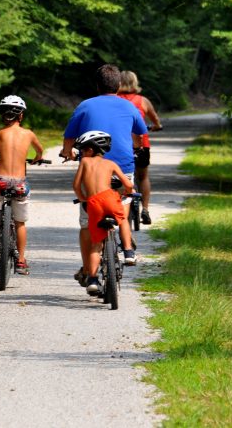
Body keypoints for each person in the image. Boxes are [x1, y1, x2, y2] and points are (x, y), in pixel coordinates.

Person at [60, 64, 147, 284]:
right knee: (122, 210)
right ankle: (126, 246)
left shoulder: (85, 106)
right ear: (118, 85)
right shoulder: (129, 107)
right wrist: (135, 147)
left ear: (97, 85)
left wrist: (67, 151)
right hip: (123, 169)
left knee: (87, 225)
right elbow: (140, 134)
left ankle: (90, 273)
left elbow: (69, 136)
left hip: (92, 175)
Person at [0, 95, 44, 275]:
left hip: (0, 181)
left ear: (2, 115)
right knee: (20, 223)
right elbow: (39, 151)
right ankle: (21, 260)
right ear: (20, 116)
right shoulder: (29, 134)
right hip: (20, 185)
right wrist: (37, 158)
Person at [72, 131, 134, 295]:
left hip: (93, 203)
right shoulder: (111, 164)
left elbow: (76, 186)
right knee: (123, 219)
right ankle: (128, 252)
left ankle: (92, 279)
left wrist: (83, 199)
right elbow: (127, 184)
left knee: (96, 245)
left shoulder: (84, 162)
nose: (82, 154)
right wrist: (130, 192)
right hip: (110, 198)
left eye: (83, 150)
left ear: (91, 150)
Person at [117, 70, 162, 225]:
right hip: (141, 145)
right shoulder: (142, 101)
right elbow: (155, 120)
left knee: (119, 176)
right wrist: (156, 126)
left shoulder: (115, 100)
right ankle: (146, 209)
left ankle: (118, 206)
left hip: (119, 144)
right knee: (143, 177)